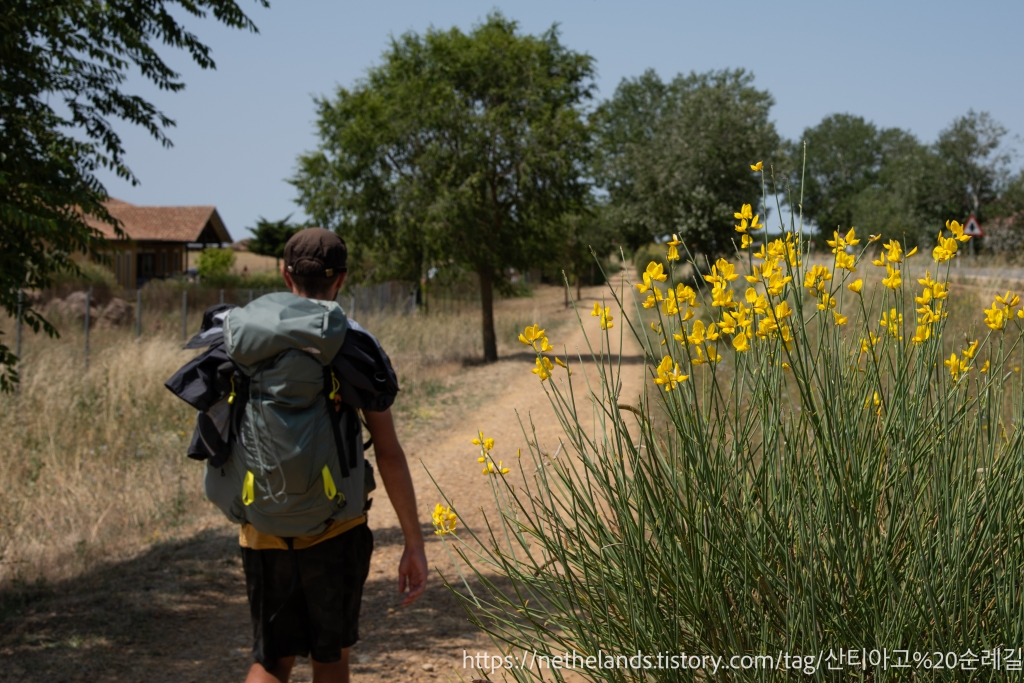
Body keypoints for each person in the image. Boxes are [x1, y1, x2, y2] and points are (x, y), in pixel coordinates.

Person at [239, 228, 427, 683]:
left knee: (273, 659)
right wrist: (413, 543)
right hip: (336, 529)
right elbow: (388, 452)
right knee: (330, 656)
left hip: (262, 526)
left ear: (286, 276)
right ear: (341, 279)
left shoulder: (244, 336)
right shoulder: (354, 342)